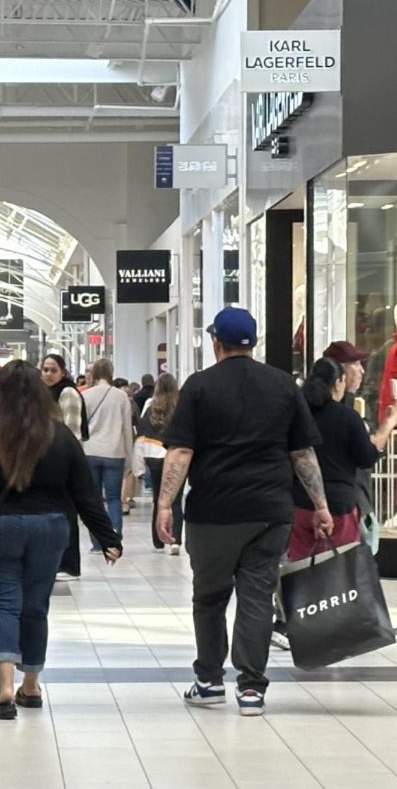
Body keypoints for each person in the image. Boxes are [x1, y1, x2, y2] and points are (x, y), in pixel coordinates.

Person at [156, 307, 333, 717]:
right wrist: (321, 505)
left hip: (213, 512)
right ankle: (251, 690)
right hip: (270, 510)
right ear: (252, 343)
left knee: (210, 597)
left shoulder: (199, 387)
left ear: (217, 342)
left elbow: (181, 450)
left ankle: (209, 681)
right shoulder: (283, 385)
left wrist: (165, 504)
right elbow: (302, 453)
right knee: (256, 598)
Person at [0, 361, 122, 720]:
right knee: (36, 606)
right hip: (50, 527)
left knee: (2, 605)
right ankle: (31, 685)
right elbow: (84, 490)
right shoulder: (58, 435)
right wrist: (106, 536)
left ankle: (5, 688)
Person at [291, 357, 397, 561]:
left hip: (301, 504)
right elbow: (366, 457)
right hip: (339, 507)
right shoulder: (347, 417)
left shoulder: (299, 414)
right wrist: (388, 424)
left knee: (301, 567)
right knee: (341, 570)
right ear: (338, 383)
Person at [40, 354, 88, 582]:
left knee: (68, 512)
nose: (48, 374)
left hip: (64, 461)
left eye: (53, 370)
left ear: (63, 372)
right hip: (49, 459)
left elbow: (71, 431)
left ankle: (70, 565)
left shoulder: (67, 393)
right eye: (45, 369)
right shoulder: (46, 394)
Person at [81, 358, 134, 539]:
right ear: (111, 373)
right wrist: (129, 457)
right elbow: (127, 429)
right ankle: (114, 536)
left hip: (90, 452)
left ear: (94, 374)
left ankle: (97, 541)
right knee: (113, 498)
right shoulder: (121, 397)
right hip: (114, 452)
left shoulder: (86, 396)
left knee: (94, 500)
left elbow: (81, 429)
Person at [134, 373, 181, 553]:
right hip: (175, 455)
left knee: (158, 499)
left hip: (154, 455)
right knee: (175, 500)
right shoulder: (180, 406)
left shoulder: (151, 405)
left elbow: (143, 430)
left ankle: (158, 539)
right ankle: (175, 539)